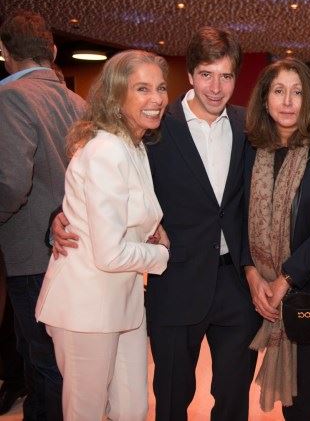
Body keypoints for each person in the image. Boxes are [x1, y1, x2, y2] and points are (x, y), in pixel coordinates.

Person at [52, 27, 261, 420]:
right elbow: (93, 179)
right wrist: (59, 216)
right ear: (191, 74)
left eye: (227, 76)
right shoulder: (154, 127)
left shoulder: (248, 125)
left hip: (234, 284)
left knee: (234, 398)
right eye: (206, 74)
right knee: (171, 398)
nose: (216, 88)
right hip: (175, 282)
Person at [35, 49, 171, 420]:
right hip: (86, 306)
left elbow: (132, 212)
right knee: (86, 412)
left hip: (122, 300)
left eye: (161, 88)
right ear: (116, 95)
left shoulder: (134, 144)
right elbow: (109, 254)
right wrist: (161, 253)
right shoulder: (107, 150)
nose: (156, 98)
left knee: (132, 409)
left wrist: (153, 228)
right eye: (142, 88)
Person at [243, 57, 310, 420]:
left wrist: (285, 280)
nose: (287, 102)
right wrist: (251, 273)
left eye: (297, 92)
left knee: (303, 404)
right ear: (265, 98)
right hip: (259, 291)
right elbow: (236, 216)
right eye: (278, 91)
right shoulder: (251, 149)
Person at [0, 9, 86, 421]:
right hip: (77, 249)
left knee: (42, 362)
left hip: (33, 252)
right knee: (65, 361)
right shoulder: (79, 102)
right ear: (52, 51)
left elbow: (11, 183)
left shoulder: (11, 97)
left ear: (5, 52)